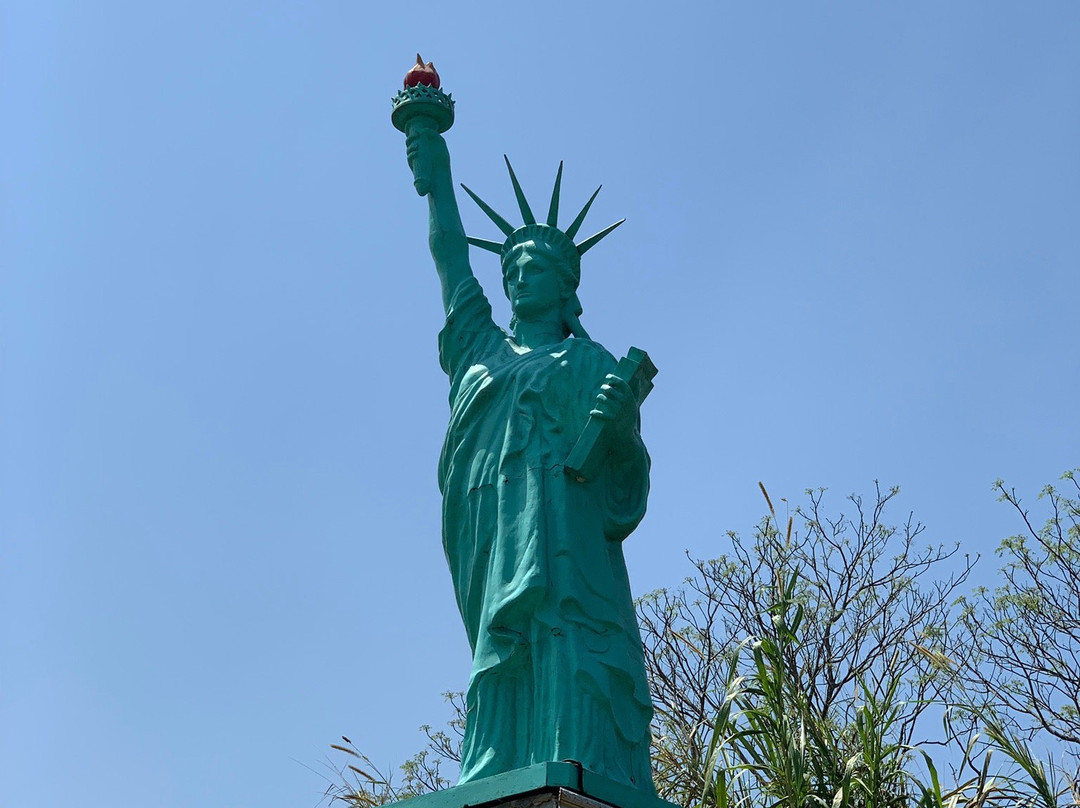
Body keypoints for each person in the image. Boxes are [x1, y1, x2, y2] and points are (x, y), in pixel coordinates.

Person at [405, 125, 656, 794]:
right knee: (499, 642)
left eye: (536, 267)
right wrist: (434, 166)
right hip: (490, 522)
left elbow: (622, 477)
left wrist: (622, 426)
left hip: (566, 526)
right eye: (512, 268)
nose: (519, 276)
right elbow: (451, 258)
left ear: (566, 282)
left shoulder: (591, 362)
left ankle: (574, 749)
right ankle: (494, 765)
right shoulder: (478, 350)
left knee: (571, 631)